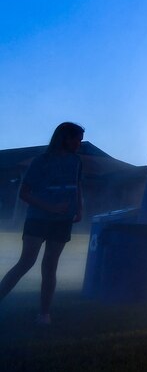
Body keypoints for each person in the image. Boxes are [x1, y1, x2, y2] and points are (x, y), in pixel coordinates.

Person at [0, 122, 84, 325]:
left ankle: (44, 314)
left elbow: (77, 186)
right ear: (64, 138)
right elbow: (24, 193)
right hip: (38, 219)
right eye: (76, 139)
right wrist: (51, 208)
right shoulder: (41, 161)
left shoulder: (76, 161)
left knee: (50, 267)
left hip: (62, 221)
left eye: (80, 140)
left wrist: (79, 209)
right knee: (26, 262)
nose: (78, 144)